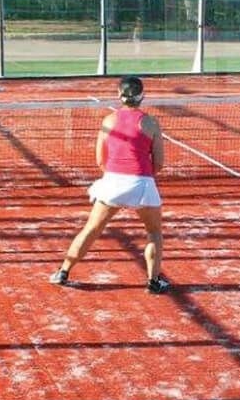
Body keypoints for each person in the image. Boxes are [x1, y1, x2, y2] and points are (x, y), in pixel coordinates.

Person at [49, 75, 171, 294]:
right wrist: (140, 177)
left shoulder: (108, 121)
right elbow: (159, 162)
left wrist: (117, 178)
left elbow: (99, 160)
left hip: (112, 182)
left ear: (119, 95)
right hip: (142, 183)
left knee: (91, 229)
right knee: (154, 232)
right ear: (142, 96)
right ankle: (153, 281)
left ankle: (63, 272)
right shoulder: (151, 123)